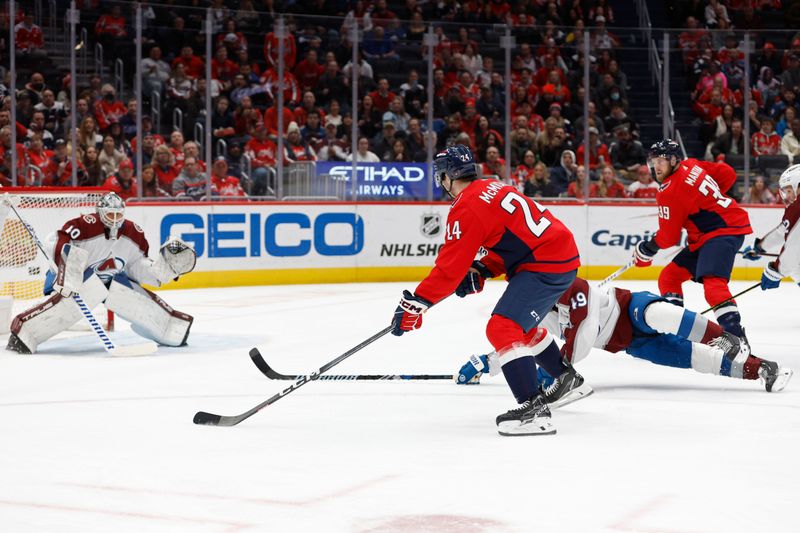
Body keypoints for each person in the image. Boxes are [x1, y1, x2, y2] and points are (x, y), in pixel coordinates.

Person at [389, 145, 581, 436]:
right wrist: (484, 269)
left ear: (448, 175)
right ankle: (566, 378)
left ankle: (533, 409)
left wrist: (417, 303)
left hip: (545, 263)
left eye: (441, 176)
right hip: (558, 254)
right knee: (522, 329)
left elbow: (449, 270)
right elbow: (515, 237)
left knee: (502, 328)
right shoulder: (492, 187)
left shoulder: (465, 207)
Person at [456, 277, 792, 395]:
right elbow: (519, 344)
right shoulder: (536, 310)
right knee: (693, 360)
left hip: (630, 308)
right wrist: (486, 362)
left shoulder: (570, 287)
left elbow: (584, 333)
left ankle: (724, 338)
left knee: (663, 314)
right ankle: (761, 369)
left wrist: (558, 369)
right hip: (629, 343)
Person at [5, 193, 195, 354]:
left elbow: (136, 266)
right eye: (109, 214)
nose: (113, 219)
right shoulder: (86, 225)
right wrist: (68, 263)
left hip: (108, 281)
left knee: (124, 293)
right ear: (100, 213)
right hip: (71, 278)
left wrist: (160, 272)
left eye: (117, 214)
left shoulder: (133, 233)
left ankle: (169, 329)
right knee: (86, 292)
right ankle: (25, 333)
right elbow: (56, 239)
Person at [632, 139, 752, 343]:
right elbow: (727, 174)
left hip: (721, 232)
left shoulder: (669, 191)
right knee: (669, 277)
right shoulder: (692, 164)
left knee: (714, 285)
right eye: (653, 161)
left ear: (673, 160)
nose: (655, 167)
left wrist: (648, 248)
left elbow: (669, 237)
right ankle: (678, 330)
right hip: (710, 235)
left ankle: (737, 339)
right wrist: (707, 201)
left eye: (660, 161)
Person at [742, 164, 800, 292]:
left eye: (789, 191)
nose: (787, 196)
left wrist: (776, 270)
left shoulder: (797, 208)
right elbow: (784, 231)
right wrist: (759, 247)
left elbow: (794, 246)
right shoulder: (796, 208)